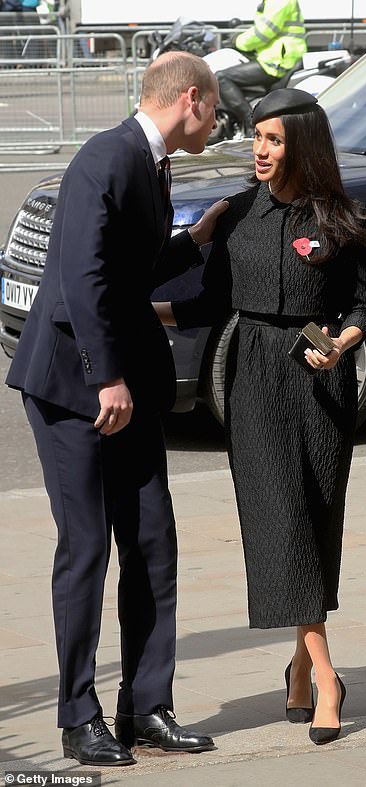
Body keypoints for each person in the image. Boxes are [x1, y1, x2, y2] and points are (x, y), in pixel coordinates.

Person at [5, 51, 227, 766]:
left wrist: (190, 243)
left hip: (119, 384)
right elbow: (82, 278)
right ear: (189, 98)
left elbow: (127, 266)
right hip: (76, 387)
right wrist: (107, 379)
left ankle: (145, 705)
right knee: (86, 549)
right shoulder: (107, 157)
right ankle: (78, 715)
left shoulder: (151, 161)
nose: (219, 122)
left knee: (153, 542)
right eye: (216, 108)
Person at [155, 88, 366, 745]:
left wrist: (339, 344)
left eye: (274, 140)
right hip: (252, 374)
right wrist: (143, 313)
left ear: (302, 146)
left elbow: (361, 307)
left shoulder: (342, 216)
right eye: (257, 137)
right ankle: (330, 678)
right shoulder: (237, 212)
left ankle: (299, 668)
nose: (260, 149)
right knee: (282, 522)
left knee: (316, 519)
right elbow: (208, 302)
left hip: (317, 364)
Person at [217, 0, 307, 135]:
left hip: (278, 60)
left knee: (221, 77)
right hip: (276, 56)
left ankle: (251, 123)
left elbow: (263, 32)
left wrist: (237, 41)